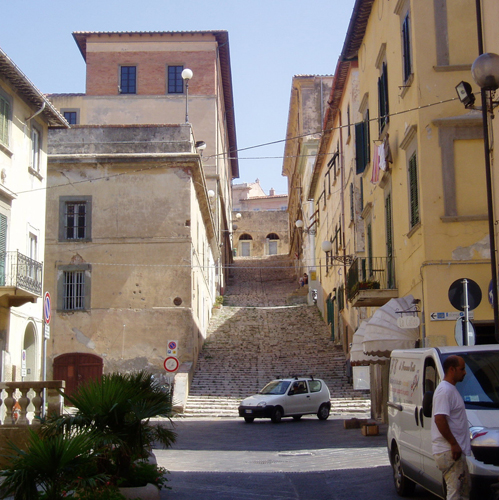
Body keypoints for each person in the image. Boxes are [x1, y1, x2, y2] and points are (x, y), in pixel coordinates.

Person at [431, 355, 471, 500]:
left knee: (462, 491)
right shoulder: (444, 391)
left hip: (454, 450)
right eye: (462, 369)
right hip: (449, 450)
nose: (465, 372)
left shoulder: (450, 390)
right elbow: (439, 419)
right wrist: (453, 443)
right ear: (452, 370)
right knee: (455, 492)